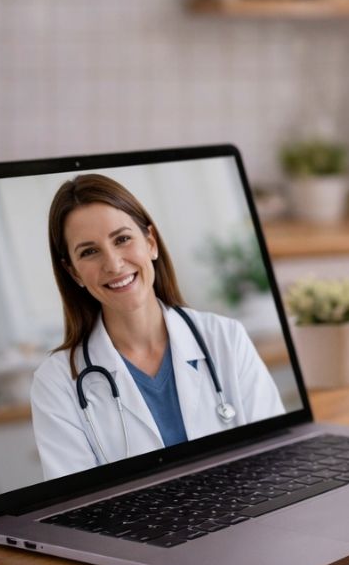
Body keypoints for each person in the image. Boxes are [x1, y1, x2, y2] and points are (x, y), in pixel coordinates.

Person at [32, 174, 284, 479]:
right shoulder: (56, 382)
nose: (113, 264)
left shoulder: (225, 338)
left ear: (150, 242)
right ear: (73, 273)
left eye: (122, 239)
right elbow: (76, 501)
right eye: (89, 251)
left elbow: (276, 460)